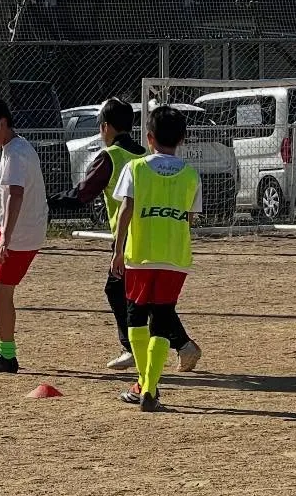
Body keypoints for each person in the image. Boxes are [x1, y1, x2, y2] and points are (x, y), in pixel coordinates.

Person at [48, 98, 203, 373]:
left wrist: (48, 201)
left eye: (100, 127)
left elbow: (84, 193)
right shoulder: (146, 154)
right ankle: (175, 346)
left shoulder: (112, 157)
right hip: (164, 242)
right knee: (154, 301)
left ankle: (150, 350)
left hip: (134, 243)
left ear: (105, 127)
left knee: (134, 299)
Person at [111, 105, 201, 413]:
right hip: (175, 257)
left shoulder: (136, 168)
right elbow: (188, 218)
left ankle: (145, 383)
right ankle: (148, 389)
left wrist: (118, 250)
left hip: (140, 255)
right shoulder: (190, 175)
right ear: (183, 139)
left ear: (149, 138)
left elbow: (126, 211)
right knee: (162, 319)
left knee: (136, 316)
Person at [0, 96, 49, 374]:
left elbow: (16, 195)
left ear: (2, 123)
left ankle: (7, 356)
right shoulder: (14, 146)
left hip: (21, 236)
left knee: (5, 294)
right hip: (16, 230)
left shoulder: (15, 155)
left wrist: (7, 237)